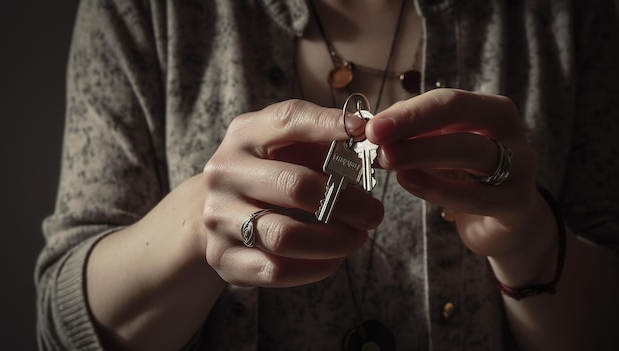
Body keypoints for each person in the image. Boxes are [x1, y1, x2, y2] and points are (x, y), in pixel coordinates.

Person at [35, 0, 619, 350]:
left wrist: (529, 241)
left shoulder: (573, 18)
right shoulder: (145, 12)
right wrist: (195, 227)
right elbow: (62, 330)